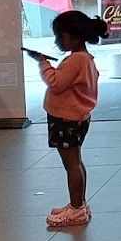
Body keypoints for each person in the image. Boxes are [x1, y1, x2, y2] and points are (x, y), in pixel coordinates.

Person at [26, 11, 108, 228]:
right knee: (76, 162)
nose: (57, 42)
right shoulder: (86, 59)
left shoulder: (75, 61)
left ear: (74, 36)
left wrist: (43, 63)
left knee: (71, 164)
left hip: (66, 119)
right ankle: (78, 203)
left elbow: (56, 83)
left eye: (60, 37)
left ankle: (76, 209)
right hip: (77, 118)